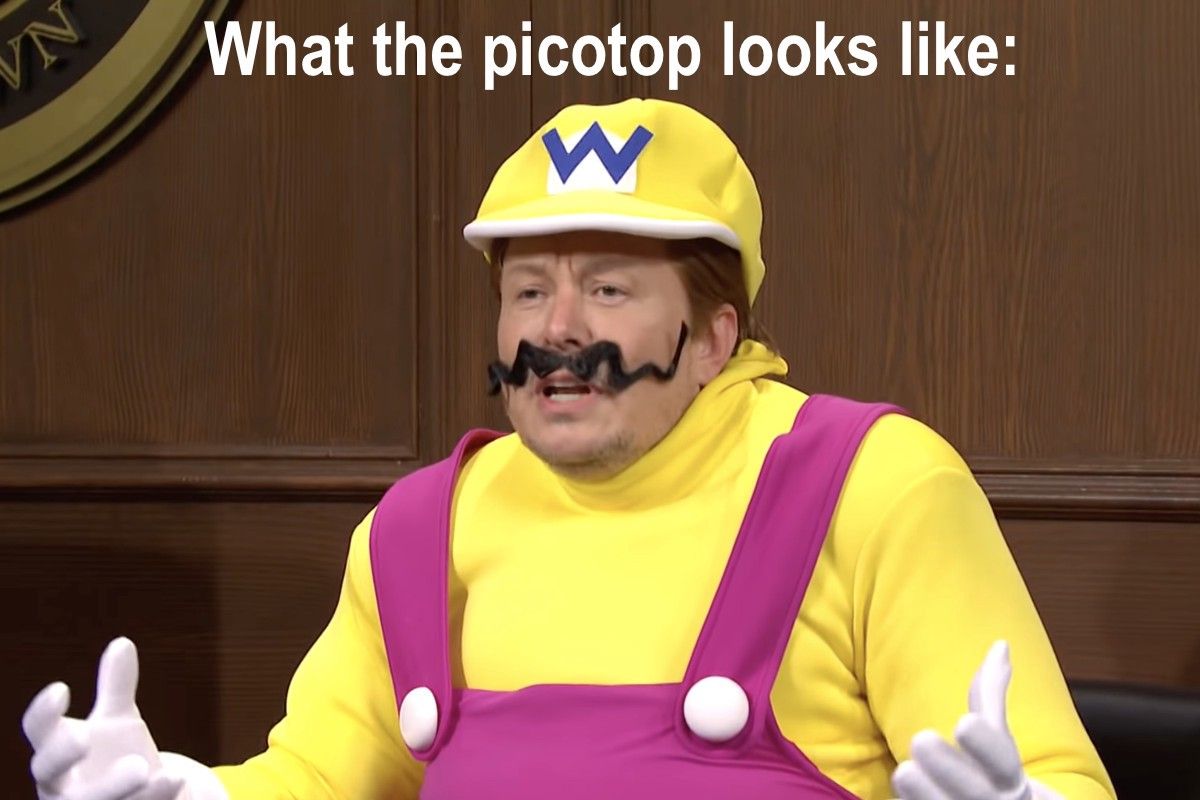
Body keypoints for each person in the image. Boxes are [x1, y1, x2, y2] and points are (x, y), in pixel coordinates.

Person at [22, 98, 1115, 800]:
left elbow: (1054, 777)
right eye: (528, 289)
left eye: (608, 289)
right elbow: (318, 775)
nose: (556, 330)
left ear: (715, 335)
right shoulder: (421, 526)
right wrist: (184, 793)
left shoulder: (873, 484)